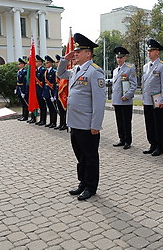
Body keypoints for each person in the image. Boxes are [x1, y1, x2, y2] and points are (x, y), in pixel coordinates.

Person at [57, 33, 106, 201]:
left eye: (79, 51)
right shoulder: (75, 70)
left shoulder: (95, 72)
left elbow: (99, 102)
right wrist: (65, 58)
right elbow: (60, 73)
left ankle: (91, 187)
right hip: (74, 122)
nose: (75, 54)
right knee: (80, 156)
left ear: (88, 53)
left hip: (87, 124)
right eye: (75, 51)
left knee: (90, 157)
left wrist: (96, 125)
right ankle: (82, 183)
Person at [142, 39, 163, 156]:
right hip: (147, 100)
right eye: (148, 50)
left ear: (157, 52)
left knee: (158, 124)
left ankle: (159, 146)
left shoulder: (162, 66)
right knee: (149, 124)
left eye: (152, 50)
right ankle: (152, 144)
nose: (149, 53)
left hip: (157, 101)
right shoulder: (145, 66)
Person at [111, 46, 137, 150]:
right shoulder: (115, 71)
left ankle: (127, 140)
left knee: (126, 121)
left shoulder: (130, 69)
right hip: (117, 100)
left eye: (121, 57)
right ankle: (121, 139)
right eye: (117, 57)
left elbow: (133, 84)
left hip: (125, 100)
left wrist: (127, 95)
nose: (119, 59)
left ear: (125, 58)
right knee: (119, 121)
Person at [43, 55, 58, 128]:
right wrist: (43, 93)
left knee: (53, 109)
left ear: (51, 63)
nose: (46, 64)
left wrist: (55, 95)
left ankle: (54, 123)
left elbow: (55, 84)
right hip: (47, 92)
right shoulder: (46, 72)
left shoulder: (54, 72)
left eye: (47, 63)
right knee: (49, 108)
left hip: (51, 92)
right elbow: (44, 84)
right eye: (45, 63)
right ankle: (51, 122)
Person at [55, 54, 68, 131]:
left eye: (58, 62)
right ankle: (61, 124)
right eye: (56, 62)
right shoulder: (56, 72)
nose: (57, 64)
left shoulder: (65, 72)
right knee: (59, 109)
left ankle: (65, 124)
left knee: (64, 109)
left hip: (63, 92)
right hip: (57, 91)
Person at [34, 55, 47, 125]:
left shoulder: (42, 70)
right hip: (37, 90)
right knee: (40, 106)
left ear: (40, 62)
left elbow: (44, 82)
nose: (35, 62)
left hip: (41, 90)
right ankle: (41, 120)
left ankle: (43, 120)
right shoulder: (37, 70)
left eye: (37, 61)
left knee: (43, 106)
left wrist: (43, 91)